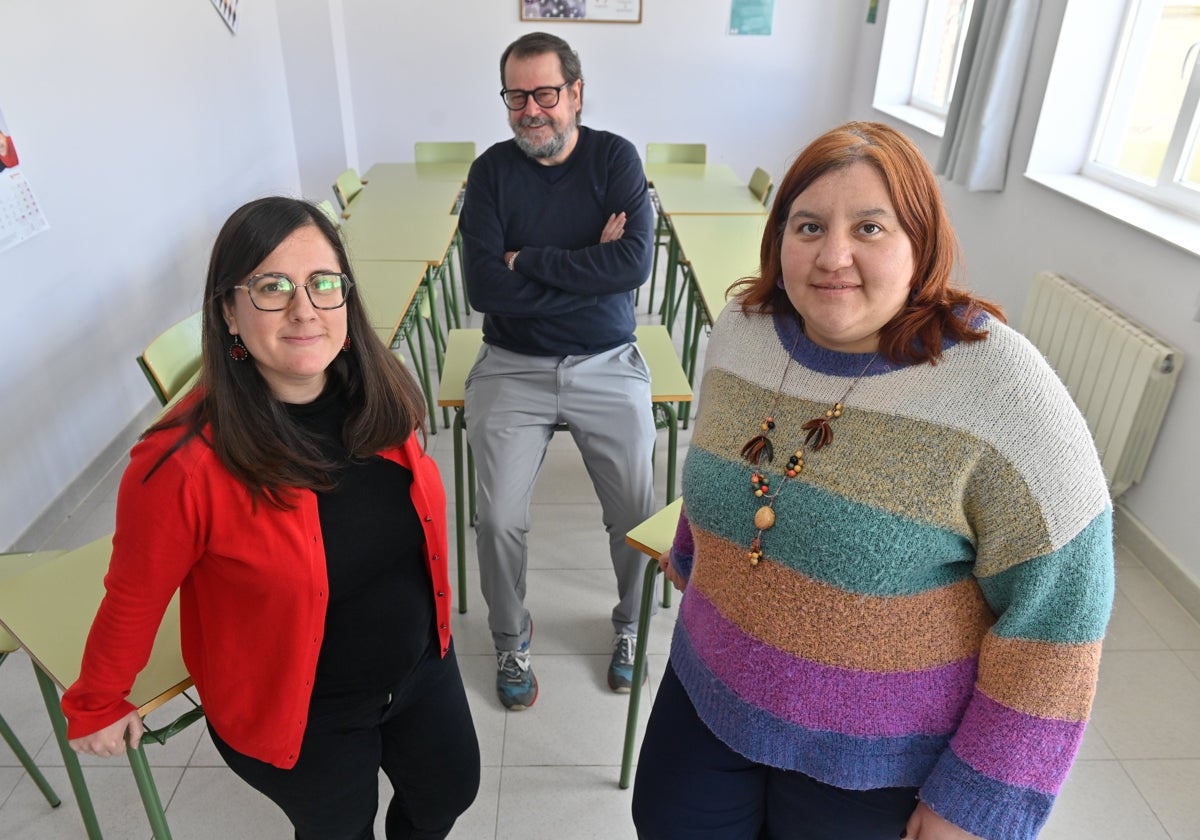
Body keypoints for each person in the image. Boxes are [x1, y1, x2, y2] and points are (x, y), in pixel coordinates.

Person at [631, 122, 1114, 840]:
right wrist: (696, 551)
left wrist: (977, 801)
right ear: (778, 239)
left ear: (920, 241)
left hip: (878, 761)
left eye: (869, 228)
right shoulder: (743, 326)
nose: (833, 256)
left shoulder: (1001, 388)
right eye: (808, 225)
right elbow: (724, 454)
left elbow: (1062, 615)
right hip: (709, 691)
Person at [62, 197, 480, 840]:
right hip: (305, 711)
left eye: (323, 283)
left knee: (451, 790)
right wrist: (96, 701)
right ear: (228, 310)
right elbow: (133, 595)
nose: (304, 308)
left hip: (421, 668)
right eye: (272, 286)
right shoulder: (180, 464)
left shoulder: (382, 391)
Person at [457, 31, 657, 710]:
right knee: (498, 516)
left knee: (635, 508)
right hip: (512, 366)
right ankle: (511, 635)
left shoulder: (614, 159)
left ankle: (629, 625)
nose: (530, 109)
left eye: (545, 93)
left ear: (575, 93)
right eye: (517, 96)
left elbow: (631, 266)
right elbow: (484, 289)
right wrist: (582, 269)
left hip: (607, 361)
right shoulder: (490, 174)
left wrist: (527, 259)